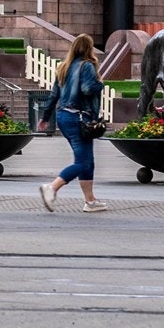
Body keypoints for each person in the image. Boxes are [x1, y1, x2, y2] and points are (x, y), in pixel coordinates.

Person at [36, 33, 108, 214]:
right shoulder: (87, 66)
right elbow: (87, 88)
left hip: (63, 116)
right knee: (83, 163)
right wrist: (100, 84)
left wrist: (45, 118)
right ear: (89, 49)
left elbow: (53, 96)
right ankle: (51, 188)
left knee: (87, 161)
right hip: (79, 117)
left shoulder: (64, 67)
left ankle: (90, 202)